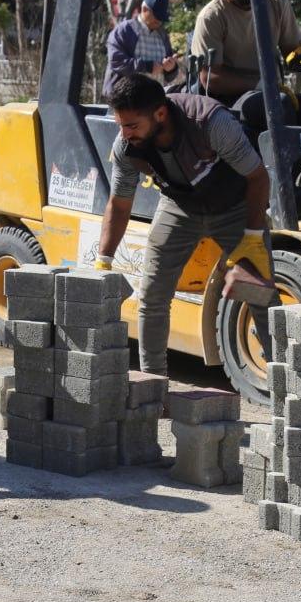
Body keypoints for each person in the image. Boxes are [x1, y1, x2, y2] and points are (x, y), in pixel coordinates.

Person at [94, 73, 273, 376]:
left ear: (160, 113)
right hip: (179, 207)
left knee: (259, 294)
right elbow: (119, 203)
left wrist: (252, 237)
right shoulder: (126, 146)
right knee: (152, 297)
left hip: (235, 208)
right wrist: (103, 261)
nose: (125, 134)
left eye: (132, 126)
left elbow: (258, 177)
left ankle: (284, 384)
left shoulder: (211, 123)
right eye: (120, 125)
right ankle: (152, 383)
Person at [190, 0, 301, 105]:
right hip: (228, 104)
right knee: (272, 107)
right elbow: (209, 77)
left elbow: (293, 51)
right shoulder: (211, 17)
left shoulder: (277, 2)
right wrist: (261, 84)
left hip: (273, 95)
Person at [102, 0, 182, 97]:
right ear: (144, 9)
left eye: (162, 18)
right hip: (123, 100)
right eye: (157, 16)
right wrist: (147, 66)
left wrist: (171, 68)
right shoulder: (124, 30)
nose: (159, 21)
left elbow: (169, 75)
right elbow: (116, 62)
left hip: (152, 101)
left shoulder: (162, 35)